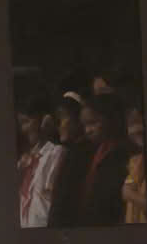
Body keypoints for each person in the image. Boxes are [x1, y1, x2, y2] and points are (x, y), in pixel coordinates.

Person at [52, 91, 133, 225]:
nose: (88, 130)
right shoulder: (89, 153)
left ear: (111, 119)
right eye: (85, 125)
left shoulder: (123, 154)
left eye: (93, 123)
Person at [16, 96, 67, 229]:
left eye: (27, 121)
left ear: (44, 119)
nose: (24, 129)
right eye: (21, 124)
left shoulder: (56, 153)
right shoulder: (24, 161)